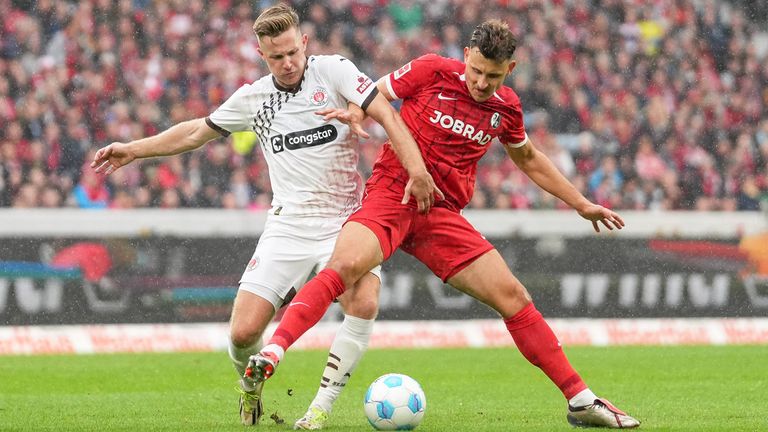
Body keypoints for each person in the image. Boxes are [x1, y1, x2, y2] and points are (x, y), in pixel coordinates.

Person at [247, 20, 640, 429]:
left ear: (511, 68)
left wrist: (580, 203)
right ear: (466, 56)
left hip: (441, 214)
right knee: (342, 269)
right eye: (477, 72)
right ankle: (274, 351)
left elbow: (528, 158)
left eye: (493, 75)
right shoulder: (431, 70)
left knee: (513, 296)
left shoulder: (506, 107)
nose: (482, 83)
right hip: (393, 192)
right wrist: (352, 110)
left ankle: (580, 400)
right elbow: (373, 95)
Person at [90, 4, 440, 429]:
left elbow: (385, 111)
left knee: (363, 302)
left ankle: (319, 409)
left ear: (305, 43)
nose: (288, 63)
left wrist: (417, 171)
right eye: (277, 57)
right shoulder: (255, 98)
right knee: (241, 335)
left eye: (293, 52)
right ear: (262, 55)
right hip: (288, 226)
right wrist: (134, 148)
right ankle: (251, 385)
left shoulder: (334, 71)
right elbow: (196, 132)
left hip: (346, 221)